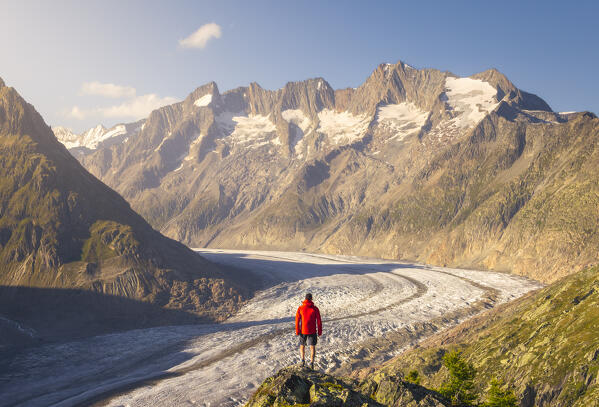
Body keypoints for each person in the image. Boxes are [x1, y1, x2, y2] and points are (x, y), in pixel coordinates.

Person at [295, 292, 322, 370]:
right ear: (311, 299)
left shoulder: (300, 308)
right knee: (312, 347)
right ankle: (311, 363)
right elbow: (319, 321)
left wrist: (297, 330)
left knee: (302, 346)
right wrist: (319, 331)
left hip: (303, 331)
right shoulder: (315, 308)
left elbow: (297, 321)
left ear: (305, 299)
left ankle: (302, 360)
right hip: (312, 331)